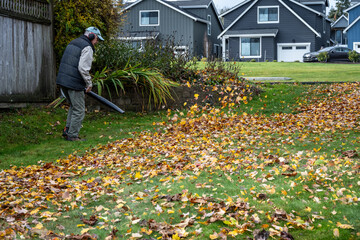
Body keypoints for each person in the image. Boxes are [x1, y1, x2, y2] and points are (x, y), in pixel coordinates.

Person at [56, 27, 104, 141]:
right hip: (74, 82)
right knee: (79, 110)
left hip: (63, 80)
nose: (96, 42)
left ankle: (67, 130)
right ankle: (72, 136)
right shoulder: (87, 47)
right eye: (97, 39)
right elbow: (83, 68)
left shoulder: (73, 42)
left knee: (74, 106)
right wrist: (89, 84)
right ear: (92, 36)